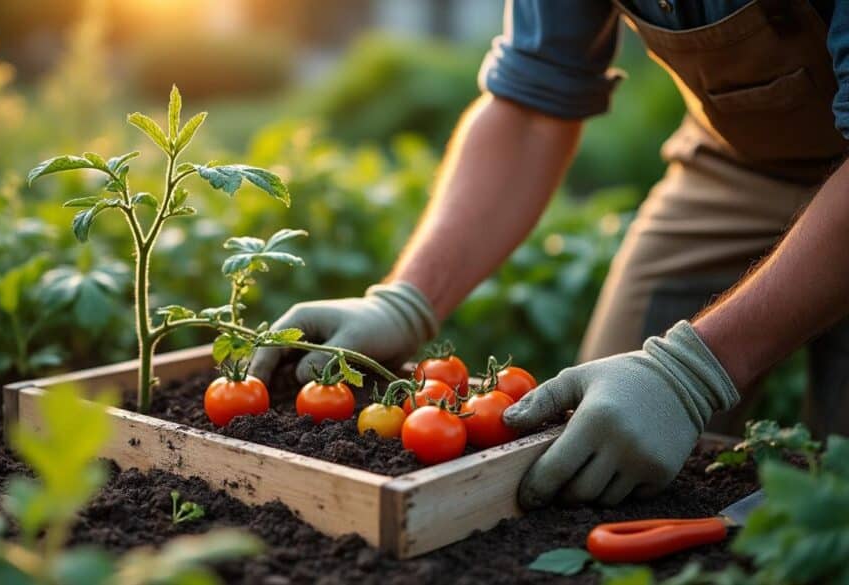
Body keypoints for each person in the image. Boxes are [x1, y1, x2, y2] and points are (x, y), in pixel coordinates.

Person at [250, 0, 849, 509]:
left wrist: (692, 371)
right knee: (595, 452)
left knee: (831, 503)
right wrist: (405, 300)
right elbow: (533, 100)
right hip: (734, 160)